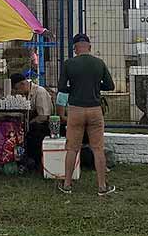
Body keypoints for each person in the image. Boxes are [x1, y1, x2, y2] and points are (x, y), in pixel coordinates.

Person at [58, 33, 116, 196]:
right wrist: (96, 87)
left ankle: (67, 184)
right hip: (95, 110)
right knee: (97, 148)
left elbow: (62, 87)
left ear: (75, 48)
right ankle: (102, 186)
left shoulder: (69, 64)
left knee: (72, 148)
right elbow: (110, 86)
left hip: (76, 110)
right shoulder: (99, 63)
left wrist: (75, 88)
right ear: (89, 47)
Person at [11, 72, 52, 168]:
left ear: (23, 84)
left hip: (44, 125)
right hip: (32, 122)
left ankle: (35, 161)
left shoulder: (39, 92)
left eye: (17, 89)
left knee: (33, 131)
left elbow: (44, 116)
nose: (17, 92)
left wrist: (28, 124)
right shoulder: (25, 94)